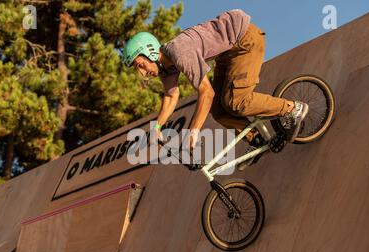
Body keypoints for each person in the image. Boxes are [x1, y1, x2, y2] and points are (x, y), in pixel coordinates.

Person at [122, 9, 308, 168]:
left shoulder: (180, 52)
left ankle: (293, 109)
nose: (142, 72)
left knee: (236, 101)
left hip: (244, 41)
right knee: (219, 111)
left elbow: (207, 92)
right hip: (226, 55)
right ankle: (257, 141)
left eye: (140, 64)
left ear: (150, 51)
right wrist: (157, 126)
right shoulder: (165, 69)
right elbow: (171, 96)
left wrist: (193, 131)